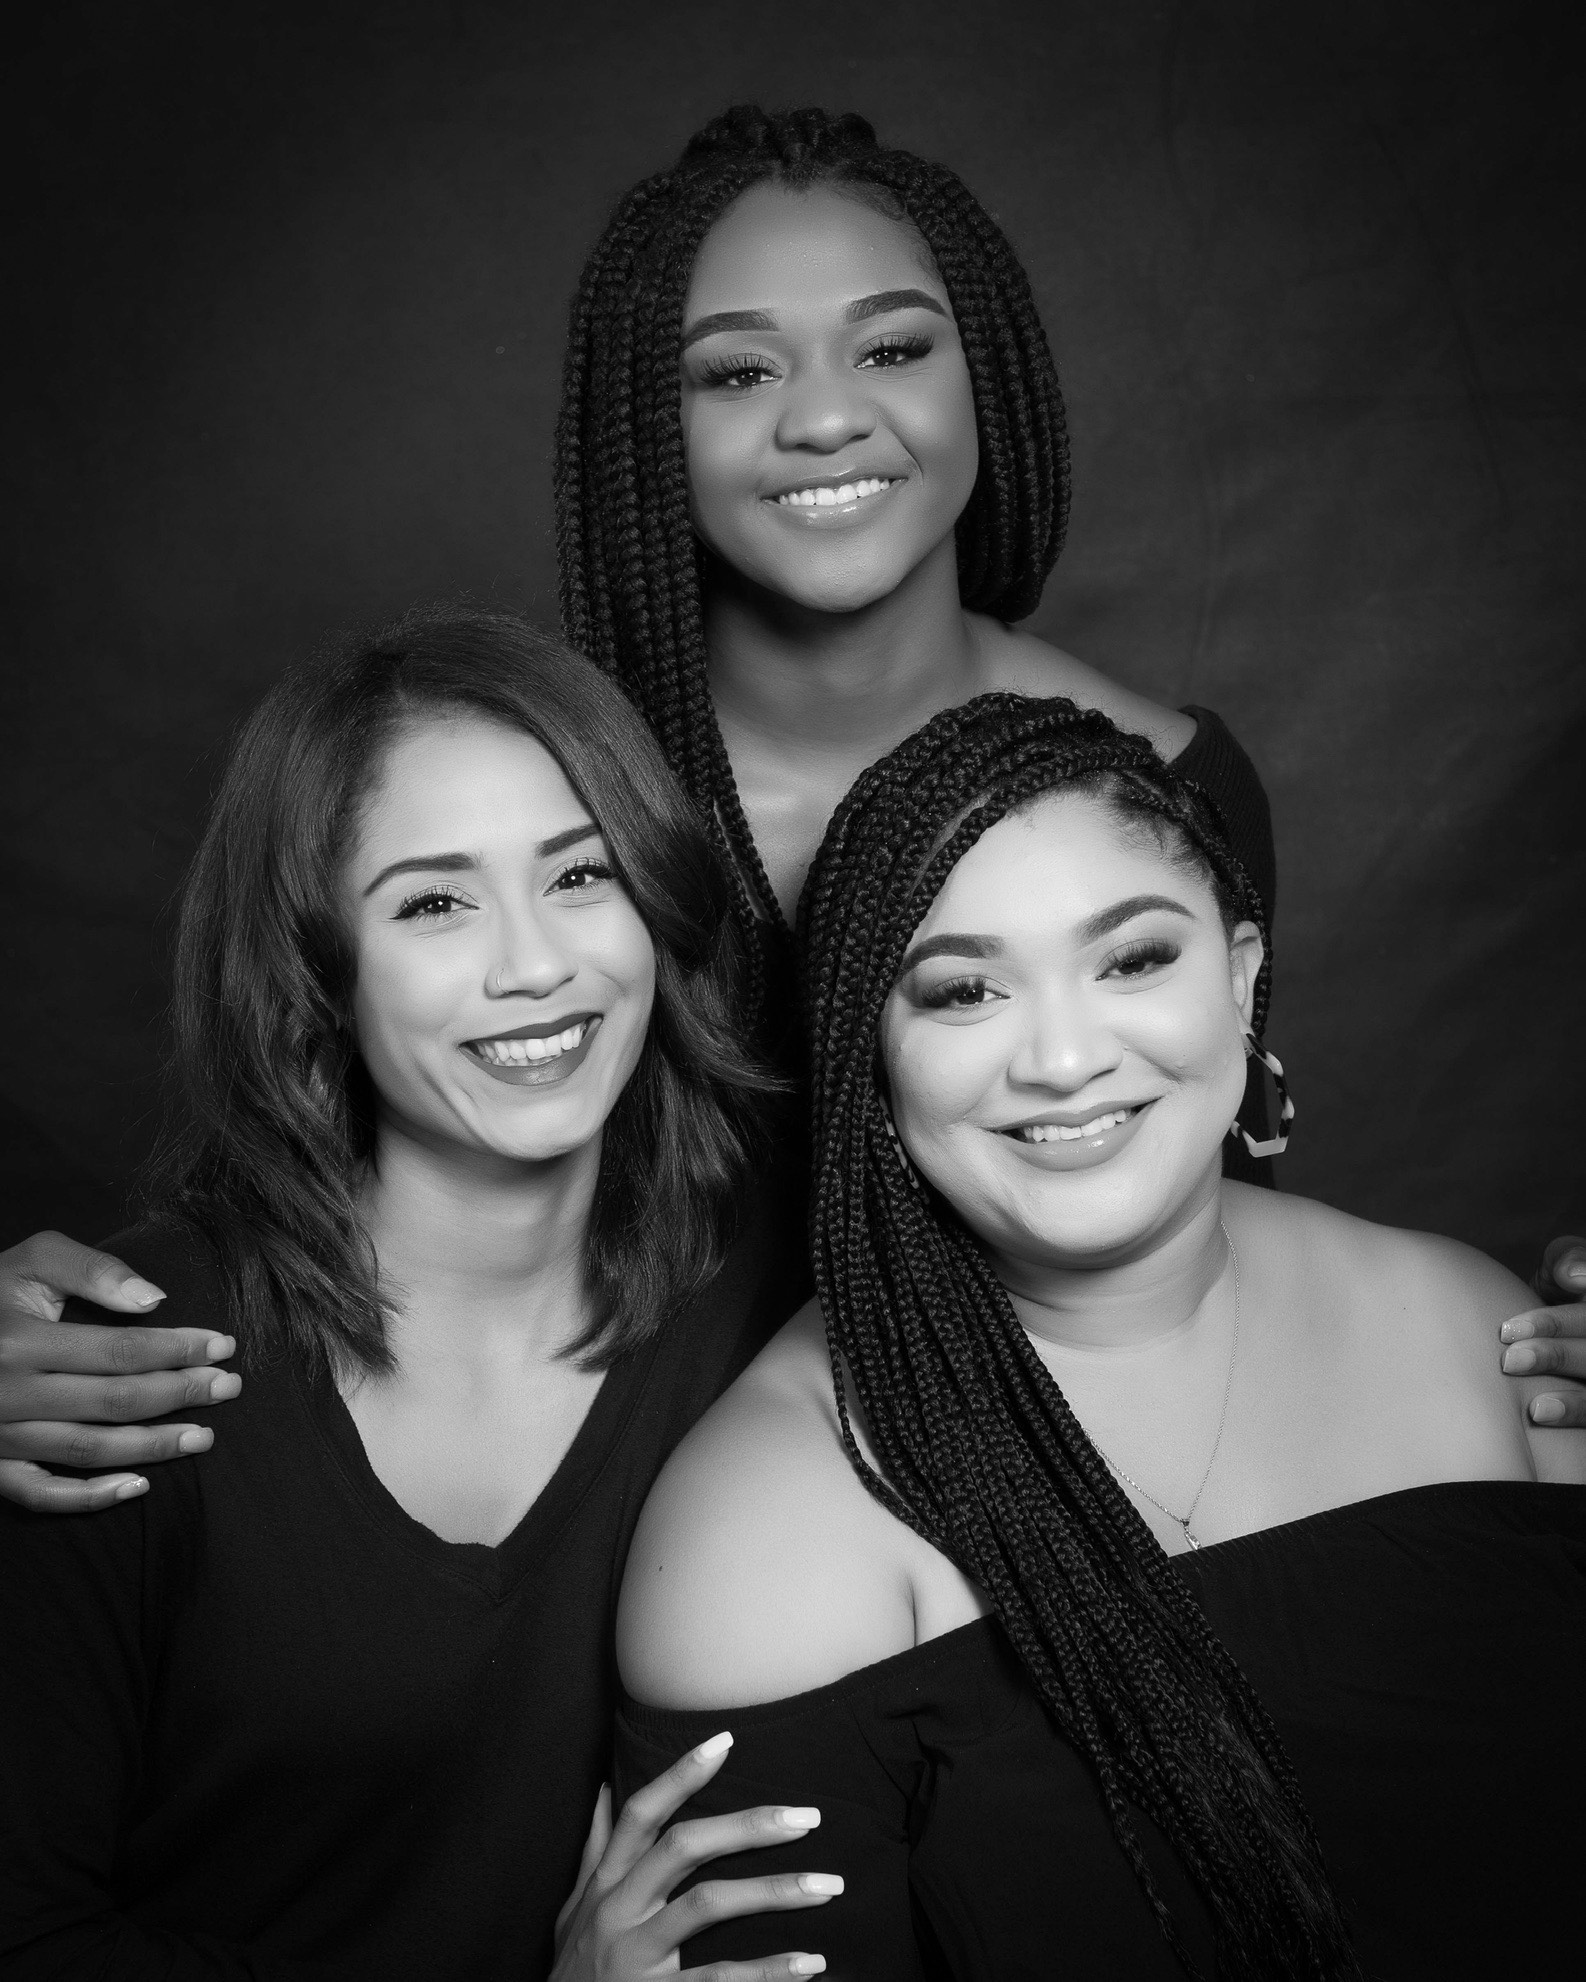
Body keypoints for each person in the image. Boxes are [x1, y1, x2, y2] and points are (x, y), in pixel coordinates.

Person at [4, 103, 1580, 1511]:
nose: (825, 417)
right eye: (737, 370)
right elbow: (353, 1155)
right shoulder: (558, 802)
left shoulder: (1163, 780)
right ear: (646, 424)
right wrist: (78, 1320)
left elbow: (1202, 1222)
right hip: (621, 1518)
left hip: (1059, 1509)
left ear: (988, 377)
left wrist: (1509, 1352)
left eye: (892, 349)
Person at [613, 694, 1586, 1979]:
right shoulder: (753, 1540)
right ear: (868, 1058)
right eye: (963, 989)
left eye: (1131, 959)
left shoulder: (1481, 1333)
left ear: (1238, 977)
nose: (1064, 1057)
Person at [0, 608, 845, 1982]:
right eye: (434, 902)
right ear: (316, 965)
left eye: (581, 873)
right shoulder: (114, 1367)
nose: (535, 963)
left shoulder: (785, 1275)